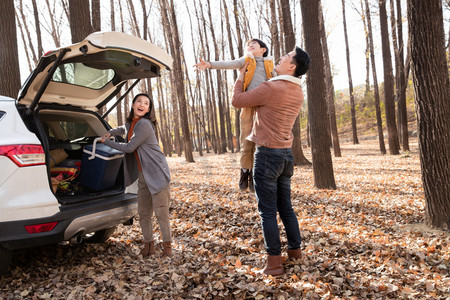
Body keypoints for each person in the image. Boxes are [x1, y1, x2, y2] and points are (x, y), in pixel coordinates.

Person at [231, 47, 310, 276]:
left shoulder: (271, 87)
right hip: (286, 156)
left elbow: (237, 100)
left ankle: (274, 264)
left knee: (267, 211)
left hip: (267, 155)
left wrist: (240, 77)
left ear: (292, 66)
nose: (280, 58)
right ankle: (295, 252)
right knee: (286, 207)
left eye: (285, 58)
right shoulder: (297, 90)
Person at [194, 38, 275, 192]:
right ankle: (245, 172)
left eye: (254, 44)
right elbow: (228, 63)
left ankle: (255, 177)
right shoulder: (246, 60)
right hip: (248, 106)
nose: (249, 46)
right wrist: (209, 64)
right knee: (246, 142)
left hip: (264, 109)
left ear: (263, 49)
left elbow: (281, 78)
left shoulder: (270, 65)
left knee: (260, 144)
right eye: (248, 44)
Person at [98, 93, 172, 258]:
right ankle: (149, 246)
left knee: (161, 213)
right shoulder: (132, 123)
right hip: (143, 175)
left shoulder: (144, 124)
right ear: (133, 105)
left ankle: (167, 249)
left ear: (148, 110)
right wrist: (110, 132)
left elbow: (130, 147)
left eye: (146, 103)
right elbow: (123, 128)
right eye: (139, 101)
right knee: (143, 213)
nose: (142, 105)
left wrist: (107, 142)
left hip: (157, 173)